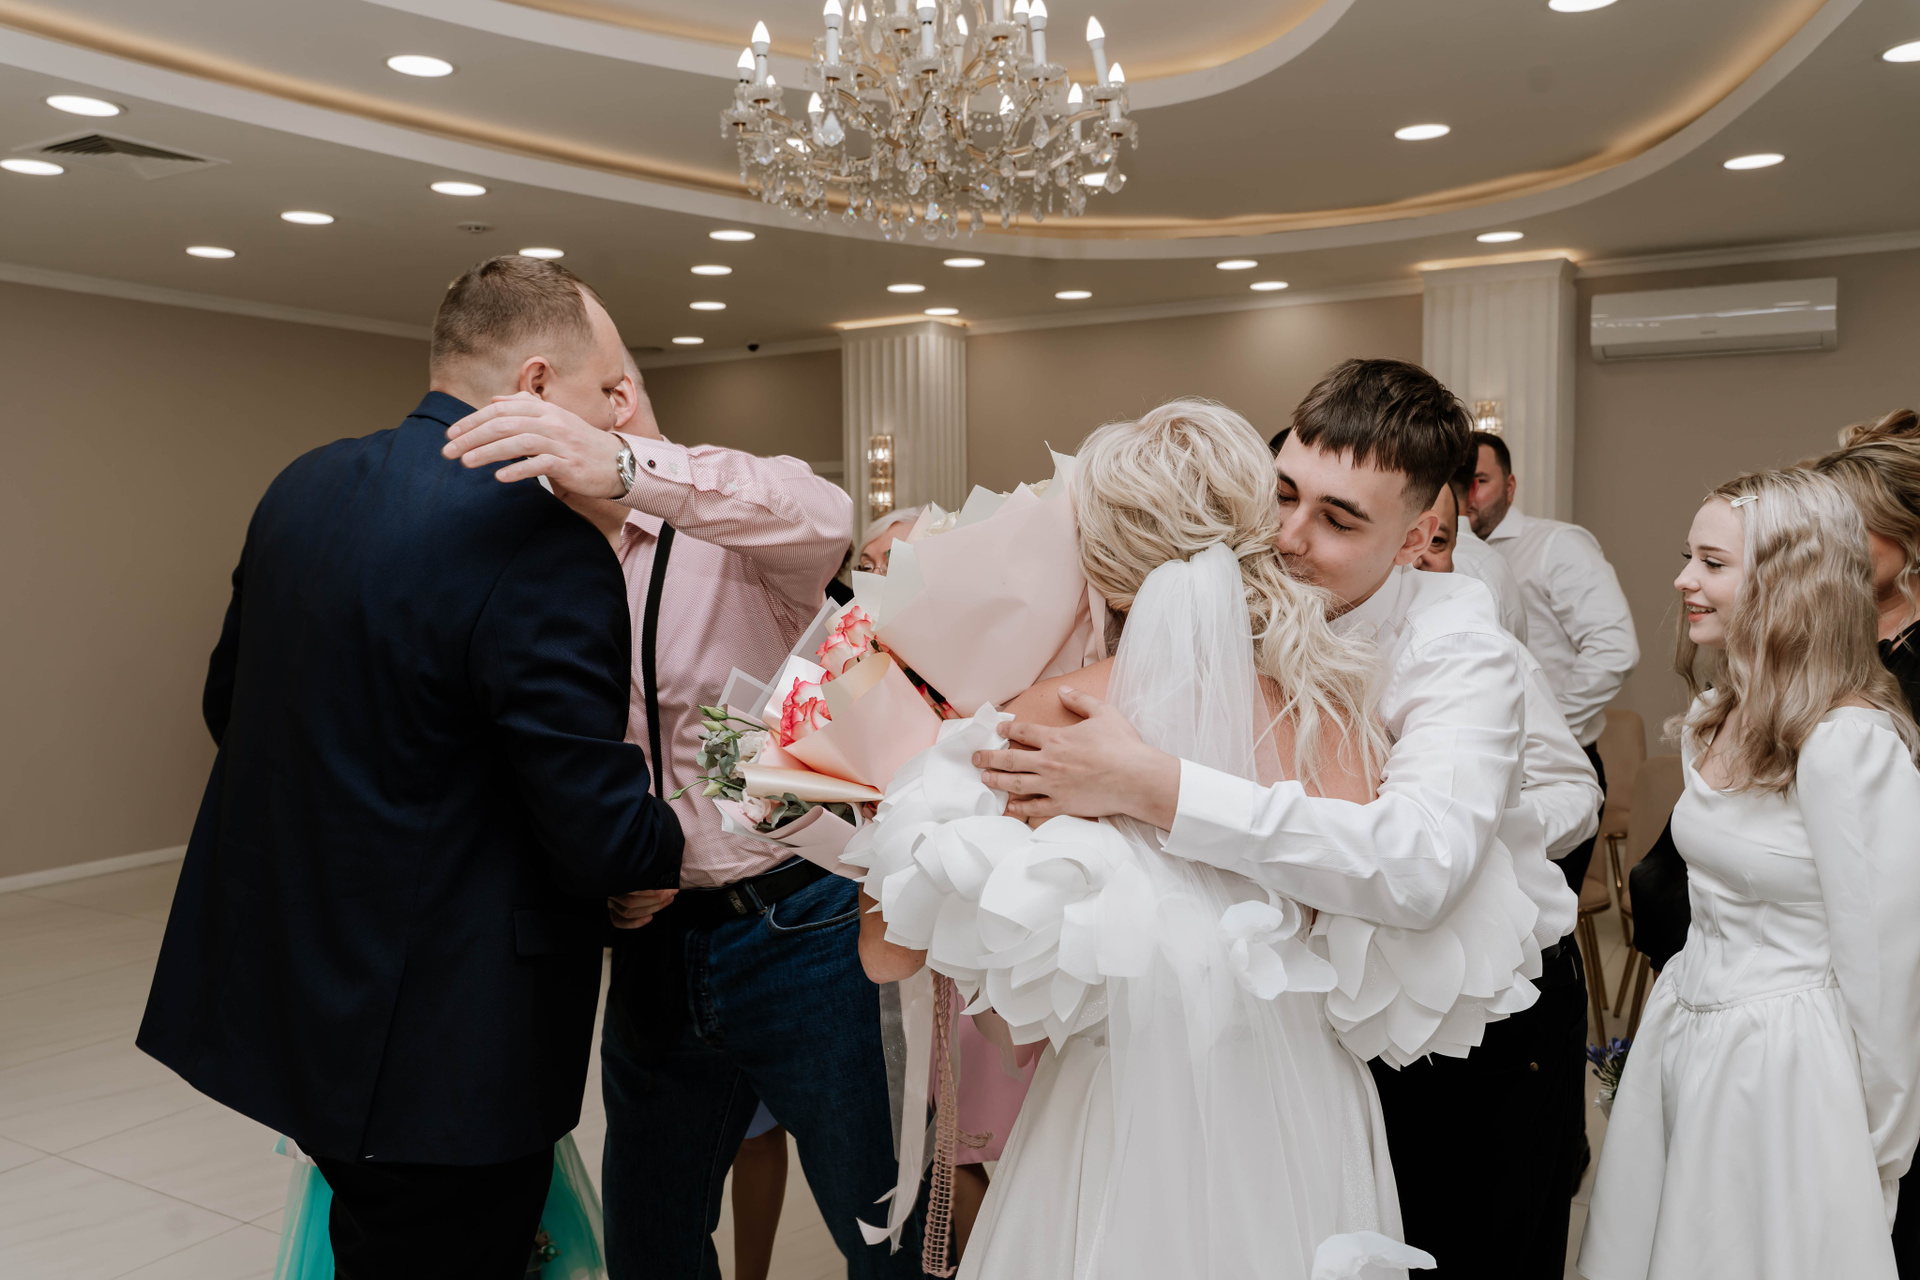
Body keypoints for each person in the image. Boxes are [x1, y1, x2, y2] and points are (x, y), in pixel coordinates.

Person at [975, 360, 1588, 1277]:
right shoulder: (1233, 612)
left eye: (1339, 520)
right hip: (1303, 1022)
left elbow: (1419, 867)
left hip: (1472, 1035)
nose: (1288, 539)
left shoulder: (1461, 651)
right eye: (1284, 494)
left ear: (1420, 537)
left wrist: (1157, 787)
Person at [138, 255, 684, 1280]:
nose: (617, 415)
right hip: (448, 1039)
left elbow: (231, 705)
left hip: (304, 992)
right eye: (606, 387)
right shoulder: (543, 542)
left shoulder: (304, 484)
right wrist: (673, 834)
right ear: (533, 385)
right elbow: (600, 834)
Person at [856, 399, 1428, 1279]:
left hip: (1125, 1100)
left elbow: (886, 954)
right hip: (1299, 1093)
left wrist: (889, 795)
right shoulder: (1341, 715)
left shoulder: (1050, 718)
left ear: (1102, 559)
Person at [438, 298, 917, 1280]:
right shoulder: (541, 563)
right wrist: (608, 867)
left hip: (803, 929)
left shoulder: (733, 531)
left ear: (613, 402)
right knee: (649, 1240)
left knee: (883, 1227)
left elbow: (824, 512)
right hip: (654, 947)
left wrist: (625, 469)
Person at [1579, 468, 1920, 1280]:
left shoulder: (1847, 743)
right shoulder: (1715, 715)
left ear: (1788, 582)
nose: (1683, 580)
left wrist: (1875, 1147)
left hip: (1787, 1063)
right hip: (1688, 1028)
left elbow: (1886, 968)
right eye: (1688, 558)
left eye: (1712, 563)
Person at [1465, 430, 1636, 891]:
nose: (1469, 494)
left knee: (1544, 919)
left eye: (1481, 481)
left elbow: (1614, 648)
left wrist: (1547, 729)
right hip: (1480, 772)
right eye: (1460, 481)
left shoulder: (1556, 545)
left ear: (1510, 486)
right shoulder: (1436, 553)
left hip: (1554, 774)